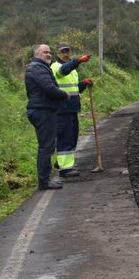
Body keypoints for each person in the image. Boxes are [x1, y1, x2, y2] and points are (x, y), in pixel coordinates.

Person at [25, 44, 69, 190]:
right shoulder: (37, 68)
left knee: (47, 146)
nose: (48, 54)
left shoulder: (39, 67)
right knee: (46, 147)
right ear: (37, 54)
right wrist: (64, 95)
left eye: (50, 52)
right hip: (42, 110)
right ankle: (44, 182)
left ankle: (46, 179)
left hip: (43, 109)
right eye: (45, 52)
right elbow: (48, 87)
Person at [50, 42, 93, 178]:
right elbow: (63, 72)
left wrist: (83, 84)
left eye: (67, 51)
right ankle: (65, 169)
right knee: (65, 137)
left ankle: (61, 163)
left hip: (72, 108)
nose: (66, 53)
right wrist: (78, 60)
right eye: (63, 51)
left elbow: (74, 89)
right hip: (61, 109)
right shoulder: (56, 67)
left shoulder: (73, 70)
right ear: (57, 53)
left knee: (73, 137)